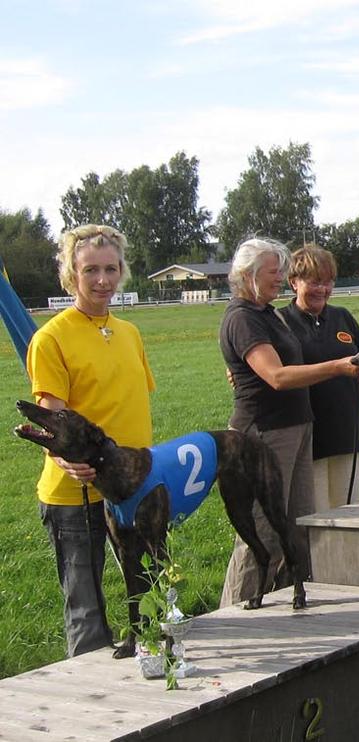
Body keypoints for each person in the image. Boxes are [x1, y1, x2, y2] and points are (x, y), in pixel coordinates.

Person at [26, 224, 155, 656]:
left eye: (111, 269)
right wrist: (66, 462)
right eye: (90, 271)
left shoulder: (131, 333)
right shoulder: (52, 338)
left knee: (148, 589)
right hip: (75, 493)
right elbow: (52, 418)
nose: (102, 280)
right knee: (87, 607)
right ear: (71, 276)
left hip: (132, 485)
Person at [218, 237, 359, 608]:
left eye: (281, 270)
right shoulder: (242, 318)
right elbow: (276, 376)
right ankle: (235, 612)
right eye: (273, 272)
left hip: (298, 427)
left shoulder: (266, 314)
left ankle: (280, 601)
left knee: (295, 528)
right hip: (263, 434)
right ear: (247, 275)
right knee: (259, 533)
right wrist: (338, 367)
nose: (280, 278)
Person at [278, 245, 359, 511]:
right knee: (316, 517)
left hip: (345, 434)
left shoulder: (343, 317)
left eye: (328, 282)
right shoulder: (279, 322)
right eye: (314, 282)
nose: (322, 289)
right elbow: (263, 367)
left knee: (349, 512)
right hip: (305, 438)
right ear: (294, 282)